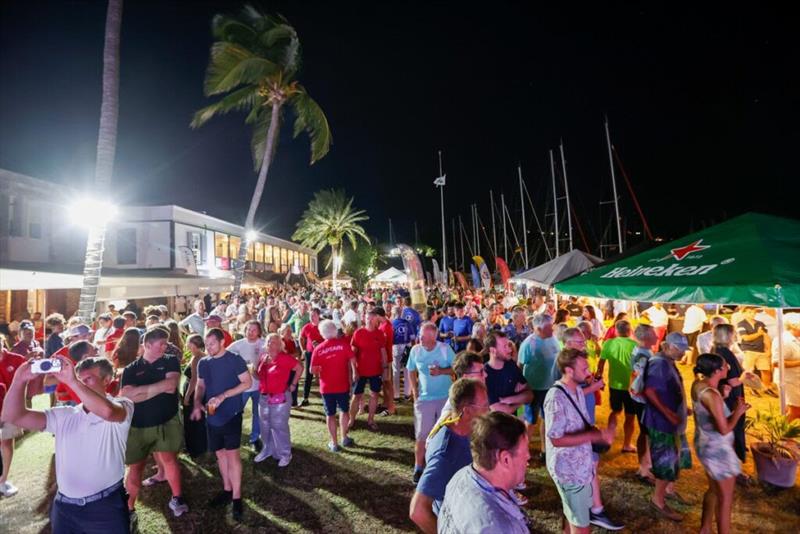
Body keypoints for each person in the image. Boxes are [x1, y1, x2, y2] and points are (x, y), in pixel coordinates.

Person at [2, 355, 133, 533]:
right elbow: (13, 416)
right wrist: (19, 380)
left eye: (88, 379)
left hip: (105, 507)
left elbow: (108, 412)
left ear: (107, 380)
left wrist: (73, 381)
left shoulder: (123, 404)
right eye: (80, 379)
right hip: (64, 508)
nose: (82, 384)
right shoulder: (66, 414)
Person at [545, 348, 621, 533]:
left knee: (573, 515)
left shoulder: (577, 390)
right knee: (581, 527)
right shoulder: (556, 397)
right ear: (569, 370)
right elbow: (556, 439)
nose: (589, 373)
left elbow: (581, 424)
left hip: (581, 466)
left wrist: (604, 431)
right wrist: (593, 436)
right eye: (584, 369)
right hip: (569, 471)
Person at [120, 327, 187, 521]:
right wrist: (157, 388)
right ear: (147, 345)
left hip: (166, 420)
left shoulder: (170, 360)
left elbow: (171, 386)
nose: (166, 347)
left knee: (169, 459)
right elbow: (127, 396)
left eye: (166, 343)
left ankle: (177, 498)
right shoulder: (131, 368)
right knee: (136, 467)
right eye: (162, 344)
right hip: (138, 424)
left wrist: (141, 391)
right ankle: (129, 509)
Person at [409, 379, 489, 533]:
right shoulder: (445, 454)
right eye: (485, 406)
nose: (489, 410)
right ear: (467, 411)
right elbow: (418, 511)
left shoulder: (457, 424)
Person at [191, 328, 251, 521]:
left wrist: (223, 396)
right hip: (212, 416)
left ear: (222, 342)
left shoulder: (234, 359)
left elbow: (247, 383)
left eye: (212, 344)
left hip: (231, 414)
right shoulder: (204, 363)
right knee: (220, 454)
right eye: (206, 345)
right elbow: (200, 385)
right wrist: (197, 402)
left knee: (233, 455)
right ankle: (227, 489)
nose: (208, 348)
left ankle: (237, 497)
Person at [436, 412, 530, 533]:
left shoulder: (461, 476)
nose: (528, 457)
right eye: (525, 452)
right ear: (505, 459)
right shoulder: (497, 527)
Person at [691, 353, 750, 534]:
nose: (728, 368)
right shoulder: (712, 395)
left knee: (713, 490)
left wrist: (722, 397)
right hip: (718, 451)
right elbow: (724, 429)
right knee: (725, 500)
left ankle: (705, 528)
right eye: (725, 366)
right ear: (717, 371)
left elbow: (708, 411)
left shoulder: (698, 385)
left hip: (704, 444)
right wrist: (738, 412)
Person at [643, 332, 692, 522]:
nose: (682, 353)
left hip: (670, 421)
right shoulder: (659, 364)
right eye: (679, 349)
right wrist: (668, 413)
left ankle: (669, 490)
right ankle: (658, 501)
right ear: (668, 346)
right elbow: (650, 391)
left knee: (673, 459)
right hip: (661, 422)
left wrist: (681, 409)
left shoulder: (668, 361)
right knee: (665, 462)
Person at [407, 321, 455, 483]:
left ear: (433, 337)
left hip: (445, 399)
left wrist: (441, 371)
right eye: (420, 335)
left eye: (423, 337)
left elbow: (457, 368)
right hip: (424, 399)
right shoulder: (415, 350)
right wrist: (415, 392)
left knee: (444, 434)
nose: (420, 339)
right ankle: (418, 467)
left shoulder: (445, 349)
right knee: (422, 435)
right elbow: (411, 370)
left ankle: (443, 465)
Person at [253, 333, 302, 466]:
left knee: (279, 426)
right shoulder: (263, 357)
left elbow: (299, 368)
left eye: (274, 342)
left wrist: (293, 384)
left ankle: (285, 453)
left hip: (280, 397)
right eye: (269, 341)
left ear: (280, 345)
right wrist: (254, 372)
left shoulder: (284, 358)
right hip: (264, 396)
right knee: (264, 425)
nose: (270, 344)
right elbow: (259, 376)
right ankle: (267, 449)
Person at [310, 319, 357, 452]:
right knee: (344, 410)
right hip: (342, 384)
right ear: (335, 331)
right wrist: (354, 372)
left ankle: (334, 443)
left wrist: (320, 369)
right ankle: (344, 437)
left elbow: (312, 370)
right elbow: (353, 359)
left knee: (330, 414)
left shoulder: (318, 349)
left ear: (322, 333)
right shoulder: (343, 345)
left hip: (327, 387)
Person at [517, 313, 559, 454]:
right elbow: (519, 366)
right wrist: (524, 388)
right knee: (530, 421)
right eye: (549, 327)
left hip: (551, 387)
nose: (552, 329)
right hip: (534, 389)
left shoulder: (553, 338)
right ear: (538, 329)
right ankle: (523, 451)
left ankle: (545, 450)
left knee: (548, 419)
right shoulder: (529, 344)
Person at [597, 320, 639, 453]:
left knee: (615, 411)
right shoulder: (635, 345)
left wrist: (599, 377)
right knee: (630, 416)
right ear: (629, 331)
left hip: (615, 384)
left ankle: (609, 438)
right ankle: (627, 444)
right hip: (631, 386)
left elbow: (601, 363)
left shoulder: (608, 343)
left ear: (616, 331)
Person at [227, 320, 266, 450]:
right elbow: (225, 355)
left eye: (254, 330)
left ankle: (255, 438)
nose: (251, 332)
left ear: (259, 331)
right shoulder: (238, 344)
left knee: (257, 413)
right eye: (248, 329)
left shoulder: (264, 344)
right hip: (242, 387)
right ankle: (233, 436)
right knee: (236, 412)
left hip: (259, 386)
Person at [349, 310, 388, 431]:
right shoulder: (358, 333)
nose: (369, 321)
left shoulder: (380, 334)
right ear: (364, 319)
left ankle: (371, 419)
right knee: (356, 395)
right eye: (367, 319)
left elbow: (383, 352)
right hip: (360, 371)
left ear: (376, 320)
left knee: (374, 394)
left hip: (376, 371)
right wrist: (354, 370)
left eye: (372, 319)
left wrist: (385, 369)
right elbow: (352, 354)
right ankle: (351, 419)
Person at [0, 340, 26, 498]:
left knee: (6, 442)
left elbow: (26, 382)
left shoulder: (17, 359)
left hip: (11, 408)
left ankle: (3, 480)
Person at [182, 334, 208, 459]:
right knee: (199, 420)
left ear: (193, 344)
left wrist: (187, 396)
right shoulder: (203, 355)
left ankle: (195, 448)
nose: (186, 345)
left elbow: (194, 380)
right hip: (201, 392)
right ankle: (201, 445)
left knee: (192, 420)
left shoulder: (197, 358)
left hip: (194, 392)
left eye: (188, 342)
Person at [772, 313, 800, 422]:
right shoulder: (783, 340)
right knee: (796, 410)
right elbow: (777, 363)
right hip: (788, 380)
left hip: (795, 379)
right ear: (794, 326)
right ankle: (783, 429)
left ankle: (783, 427)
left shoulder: (796, 338)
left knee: (792, 408)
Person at [298, 308, 324, 407]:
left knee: (324, 375)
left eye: (314, 315)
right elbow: (301, 338)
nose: (312, 317)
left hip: (323, 354)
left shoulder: (323, 326)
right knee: (308, 376)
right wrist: (303, 350)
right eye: (310, 315)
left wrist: (320, 345)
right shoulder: (307, 327)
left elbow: (329, 339)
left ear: (318, 315)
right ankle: (305, 398)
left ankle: (326, 396)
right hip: (310, 354)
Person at [375, 307, 396, 415]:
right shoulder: (384, 324)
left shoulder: (386, 327)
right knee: (385, 382)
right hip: (385, 357)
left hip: (387, 358)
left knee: (387, 382)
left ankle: (391, 407)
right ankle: (386, 403)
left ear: (378, 316)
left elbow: (383, 343)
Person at [391, 307, 413, 401]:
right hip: (406, 346)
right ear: (401, 313)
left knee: (396, 371)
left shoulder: (392, 323)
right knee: (406, 370)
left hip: (396, 347)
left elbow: (390, 337)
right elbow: (412, 337)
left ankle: (396, 395)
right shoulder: (407, 323)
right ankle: (407, 393)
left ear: (393, 313)